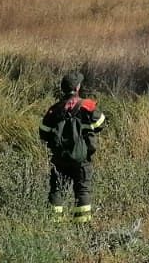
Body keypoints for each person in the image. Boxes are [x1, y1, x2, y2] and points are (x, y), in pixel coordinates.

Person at [38, 71, 106, 222]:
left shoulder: (54, 109)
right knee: (82, 190)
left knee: (57, 190)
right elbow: (101, 122)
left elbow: (43, 132)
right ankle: (81, 226)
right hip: (82, 159)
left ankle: (55, 224)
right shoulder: (87, 105)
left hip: (60, 159)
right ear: (77, 88)